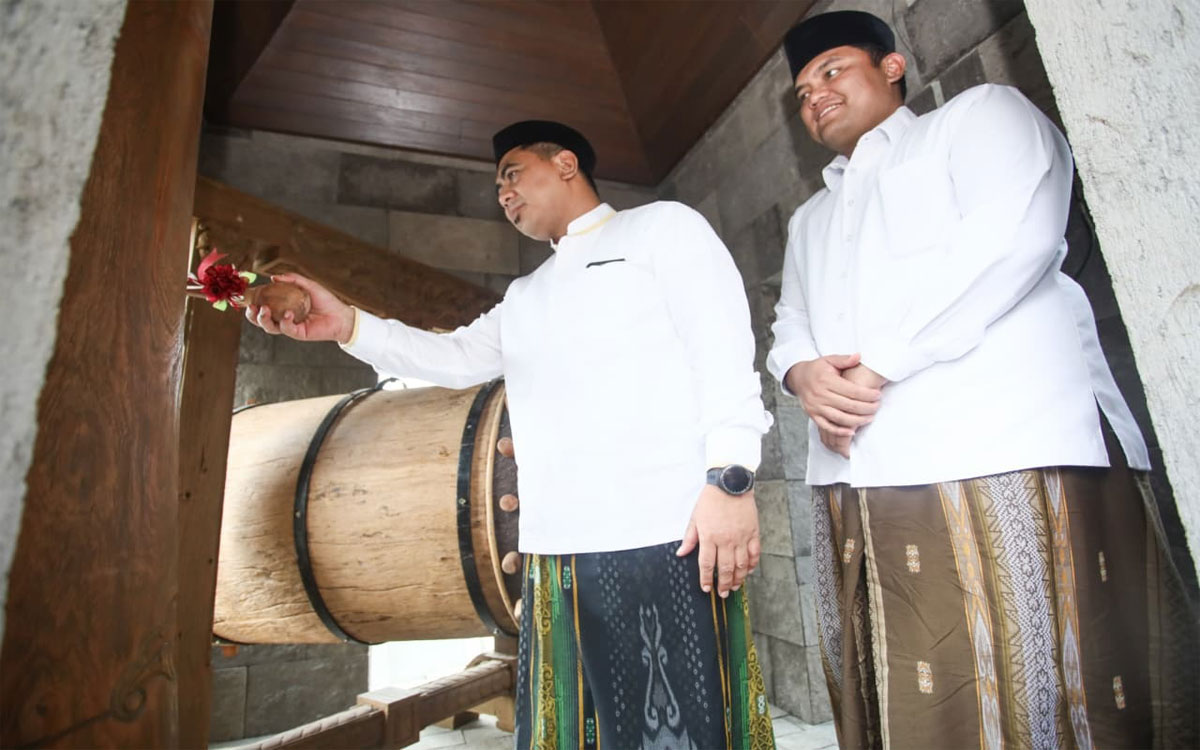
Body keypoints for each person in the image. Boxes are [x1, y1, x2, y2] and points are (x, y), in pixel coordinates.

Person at [247, 120, 776, 750]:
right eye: (497, 185)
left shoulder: (663, 228)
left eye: (512, 174)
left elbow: (722, 353)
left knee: (689, 730)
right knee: (572, 732)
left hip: (667, 535)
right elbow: (451, 358)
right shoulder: (527, 294)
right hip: (556, 552)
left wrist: (730, 480)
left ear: (566, 164)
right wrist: (347, 325)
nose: (502, 194)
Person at [767, 10, 1198, 750]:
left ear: (892, 66)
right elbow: (791, 321)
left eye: (831, 71)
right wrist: (801, 373)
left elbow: (1015, 235)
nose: (816, 98)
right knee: (909, 694)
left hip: (1002, 443)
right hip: (859, 472)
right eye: (803, 93)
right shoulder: (810, 217)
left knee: (1044, 680)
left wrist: (878, 363)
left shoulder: (975, 119)